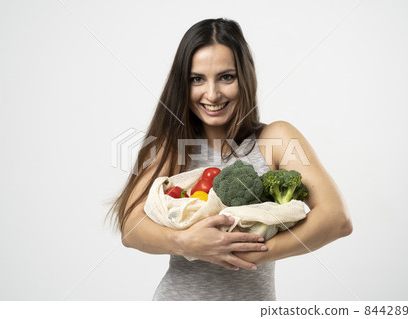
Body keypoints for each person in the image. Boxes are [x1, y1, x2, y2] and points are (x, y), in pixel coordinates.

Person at [106, 18, 353, 301]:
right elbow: (131, 228)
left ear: (244, 78)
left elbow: (337, 219)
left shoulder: (275, 139)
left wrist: (248, 253)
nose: (212, 94)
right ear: (182, 85)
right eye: (197, 79)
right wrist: (185, 243)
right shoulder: (171, 145)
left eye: (226, 77)